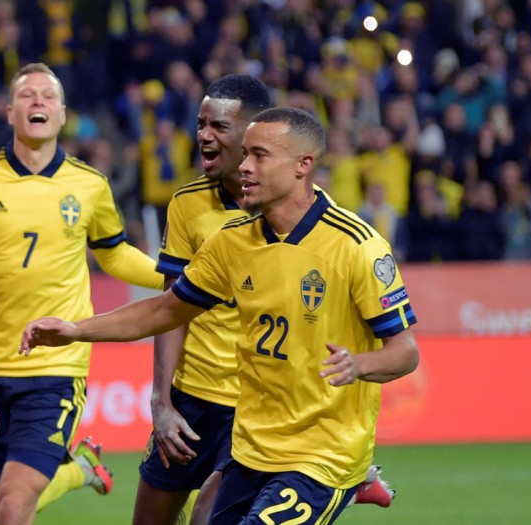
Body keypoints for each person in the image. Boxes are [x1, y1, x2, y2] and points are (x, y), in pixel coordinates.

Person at [22, 107, 419, 525]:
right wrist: (74, 330)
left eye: (259, 156)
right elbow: (164, 310)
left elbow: (404, 352)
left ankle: (351, 487)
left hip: (322, 456)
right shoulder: (231, 243)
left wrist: (359, 364)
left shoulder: (357, 246)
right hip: (252, 450)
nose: (244, 167)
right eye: (245, 154)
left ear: (304, 165)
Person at [0, 62, 165, 525]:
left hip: (55, 369)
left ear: (63, 114)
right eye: (27, 96)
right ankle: (78, 470)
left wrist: (174, 278)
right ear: (9, 113)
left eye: (47, 96)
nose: (37, 102)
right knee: (1, 518)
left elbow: (114, 255)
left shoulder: (89, 186)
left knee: (13, 506)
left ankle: (71, 470)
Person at [138, 77, 395, 525]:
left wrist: (356, 365)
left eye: (218, 126)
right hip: (196, 391)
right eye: (200, 124)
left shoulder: (332, 231)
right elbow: (168, 309)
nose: (203, 135)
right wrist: (162, 400)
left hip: (252, 404)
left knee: (208, 514)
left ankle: (336, 485)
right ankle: (344, 489)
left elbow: (398, 345)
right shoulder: (191, 207)